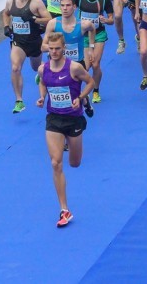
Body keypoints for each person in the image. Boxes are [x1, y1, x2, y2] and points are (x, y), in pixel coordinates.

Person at [36, 32, 96, 228]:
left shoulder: (74, 67)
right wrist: (42, 97)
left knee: (75, 163)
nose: (53, 52)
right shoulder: (42, 69)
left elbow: (91, 82)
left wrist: (80, 97)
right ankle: (64, 209)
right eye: (50, 49)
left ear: (64, 49)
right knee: (55, 163)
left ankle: (86, 104)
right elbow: (44, 83)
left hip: (73, 118)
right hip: (54, 119)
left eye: (57, 49)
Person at [3, 0, 50, 113]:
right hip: (19, 42)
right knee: (15, 68)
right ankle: (19, 100)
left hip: (34, 42)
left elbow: (49, 20)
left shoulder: (36, 3)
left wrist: (34, 19)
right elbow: (5, 13)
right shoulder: (10, 1)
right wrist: (6, 26)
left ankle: (40, 74)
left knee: (37, 68)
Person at [75, 0, 114, 103]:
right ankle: (83, 90)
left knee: (95, 64)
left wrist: (105, 20)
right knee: (85, 67)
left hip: (99, 34)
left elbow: (111, 20)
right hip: (84, 36)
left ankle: (96, 91)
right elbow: (68, 9)